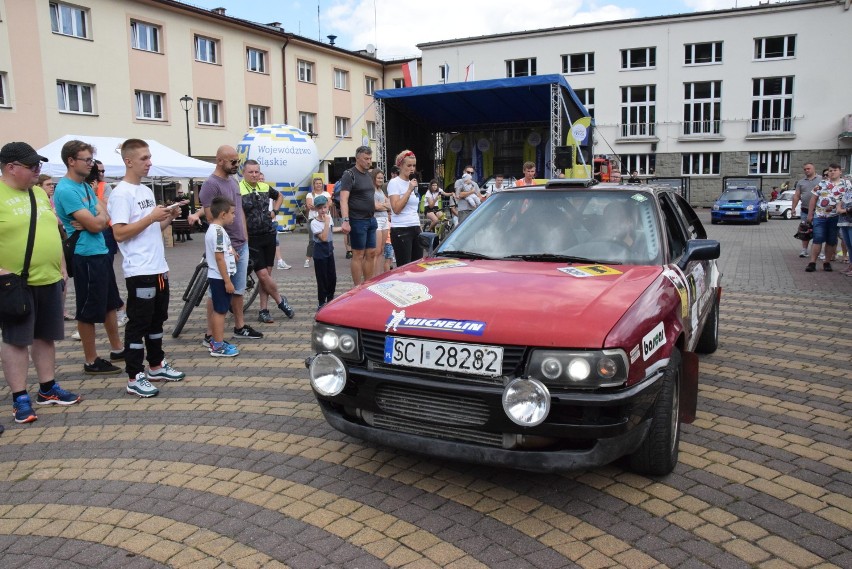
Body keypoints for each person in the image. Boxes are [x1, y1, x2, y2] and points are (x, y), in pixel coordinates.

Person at [0, 141, 81, 425]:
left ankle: (47, 389)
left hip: (49, 278)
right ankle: (19, 397)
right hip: (14, 283)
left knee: (45, 336)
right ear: (11, 168)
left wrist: (61, 267)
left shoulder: (38, 193)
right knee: (16, 340)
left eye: (39, 165)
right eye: (32, 166)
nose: (38, 171)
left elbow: (51, 229)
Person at [108, 139, 186, 397]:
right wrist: (151, 217)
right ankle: (134, 376)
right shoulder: (121, 193)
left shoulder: (146, 190)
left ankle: (156, 365)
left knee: (157, 320)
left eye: (149, 157)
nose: (149, 162)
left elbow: (150, 230)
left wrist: (166, 219)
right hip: (139, 271)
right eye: (144, 158)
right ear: (128, 161)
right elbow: (119, 234)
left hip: (158, 267)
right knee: (138, 324)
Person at [53, 140, 124, 375]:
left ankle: (117, 348)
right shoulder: (65, 189)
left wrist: (97, 218)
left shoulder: (84, 186)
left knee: (110, 304)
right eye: (87, 160)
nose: (91, 165)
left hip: (100, 251)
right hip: (85, 255)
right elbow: (96, 224)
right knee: (88, 309)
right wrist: (97, 219)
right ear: (71, 161)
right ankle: (91, 360)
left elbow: (104, 214)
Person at [188, 145, 264, 342]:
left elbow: (239, 211)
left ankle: (239, 326)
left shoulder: (233, 181)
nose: (236, 165)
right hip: (225, 245)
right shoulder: (211, 185)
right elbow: (212, 217)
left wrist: (245, 235)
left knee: (238, 289)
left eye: (238, 161)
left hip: (241, 242)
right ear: (220, 160)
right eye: (233, 162)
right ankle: (210, 334)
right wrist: (228, 245)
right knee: (217, 291)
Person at [238, 159, 295, 324]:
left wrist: (274, 212)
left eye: (257, 171)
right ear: (244, 173)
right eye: (251, 172)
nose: (254, 175)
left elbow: (279, 196)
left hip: (268, 235)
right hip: (251, 238)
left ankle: (263, 310)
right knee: (262, 275)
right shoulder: (238, 189)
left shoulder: (264, 186)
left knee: (266, 276)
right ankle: (280, 300)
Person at [205, 196, 240, 357]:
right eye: (232, 213)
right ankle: (218, 346)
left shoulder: (215, 230)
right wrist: (227, 281)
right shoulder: (218, 232)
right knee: (220, 311)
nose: (234, 216)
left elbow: (223, 251)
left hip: (218, 277)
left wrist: (231, 251)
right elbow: (219, 258)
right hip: (220, 278)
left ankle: (216, 340)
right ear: (223, 214)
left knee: (219, 309)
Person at [339, 145, 378, 286]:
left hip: (370, 219)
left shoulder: (368, 175)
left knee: (372, 253)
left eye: (370, 158)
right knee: (358, 254)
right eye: (366, 159)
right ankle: (357, 288)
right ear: (357, 159)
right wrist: (345, 220)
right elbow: (343, 199)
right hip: (357, 220)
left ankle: (367, 285)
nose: (369, 161)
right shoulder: (349, 174)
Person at [805, 164, 850, 273]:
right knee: (818, 238)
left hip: (836, 217)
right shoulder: (822, 183)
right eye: (830, 171)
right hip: (820, 216)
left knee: (831, 240)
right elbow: (813, 199)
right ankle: (812, 262)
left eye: (835, 170)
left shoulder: (846, 184)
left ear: (840, 172)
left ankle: (827, 262)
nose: (832, 172)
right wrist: (810, 214)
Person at [388, 149, 423, 266]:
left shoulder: (413, 182)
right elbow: (396, 209)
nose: (412, 168)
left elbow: (413, 208)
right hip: (401, 228)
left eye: (414, 165)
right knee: (405, 267)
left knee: (417, 266)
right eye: (409, 165)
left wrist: (418, 226)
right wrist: (409, 190)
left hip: (415, 226)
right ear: (400, 166)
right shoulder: (394, 183)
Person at [310, 195, 341, 309]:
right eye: (320, 208)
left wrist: (343, 228)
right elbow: (323, 237)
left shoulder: (328, 218)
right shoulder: (314, 223)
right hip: (319, 252)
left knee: (332, 277)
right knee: (322, 279)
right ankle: (322, 302)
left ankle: (330, 299)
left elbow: (331, 231)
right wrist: (326, 222)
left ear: (328, 206)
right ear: (316, 209)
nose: (323, 210)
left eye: (324, 207)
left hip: (329, 250)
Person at [793, 163, 820, 258]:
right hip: (805, 209)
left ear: (813, 169)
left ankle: (818, 251)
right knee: (805, 230)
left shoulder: (821, 180)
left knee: (818, 231)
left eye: (808, 168)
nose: (806, 170)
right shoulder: (800, 182)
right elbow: (796, 195)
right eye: (805, 169)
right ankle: (804, 250)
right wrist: (793, 208)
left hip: (818, 211)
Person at [303, 176, 330, 269]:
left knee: (327, 239)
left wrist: (317, 206)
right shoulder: (310, 195)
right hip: (313, 219)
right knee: (312, 240)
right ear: (313, 185)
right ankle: (307, 260)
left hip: (325, 219)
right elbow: (309, 206)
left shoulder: (326, 193)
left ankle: (324, 257)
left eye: (320, 183)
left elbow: (329, 204)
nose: (318, 185)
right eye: (316, 183)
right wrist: (322, 206)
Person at [372, 170, 391, 275]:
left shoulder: (381, 190)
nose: (380, 180)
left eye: (381, 178)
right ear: (374, 178)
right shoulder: (371, 191)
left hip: (384, 220)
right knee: (376, 250)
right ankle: (373, 275)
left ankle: (379, 275)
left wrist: (382, 206)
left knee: (382, 250)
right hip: (377, 220)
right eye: (378, 178)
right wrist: (384, 206)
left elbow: (389, 205)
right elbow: (375, 206)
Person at [838, 181, 852, 275]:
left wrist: (844, 210)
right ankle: (851, 265)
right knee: (849, 245)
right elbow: (840, 203)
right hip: (843, 222)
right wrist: (839, 209)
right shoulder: (848, 191)